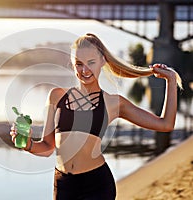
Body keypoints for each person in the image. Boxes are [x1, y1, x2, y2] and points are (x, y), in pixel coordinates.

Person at [10, 33, 182, 200]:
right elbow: (47, 147)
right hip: (63, 185)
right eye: (79, 64)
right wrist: (27, 143)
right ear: (72, 64)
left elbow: (166, 124)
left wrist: (171, 81)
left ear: (102, 61)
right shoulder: (56, 96)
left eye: (91, 63)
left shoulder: (113, 103)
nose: (84, 70)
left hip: (96, 185)